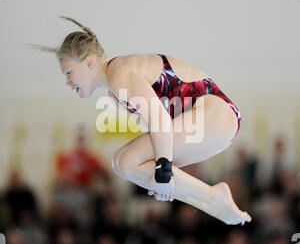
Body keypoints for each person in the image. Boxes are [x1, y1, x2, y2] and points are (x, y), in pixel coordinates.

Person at [29, 16, 251, 226]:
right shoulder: (115, 91)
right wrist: (158, 173)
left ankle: (213, 197)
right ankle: (211, 199)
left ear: (88, 62)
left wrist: (163, 171)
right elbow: (158, 137)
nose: (68, 82)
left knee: (125, 160)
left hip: (216, 113)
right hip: (215, 123)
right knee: (126, 163)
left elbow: (159, 119)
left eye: (68, 72)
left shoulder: (119, 74)